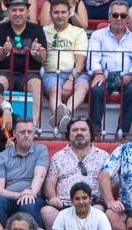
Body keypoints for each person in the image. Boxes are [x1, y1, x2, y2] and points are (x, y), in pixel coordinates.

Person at [87, 0, 132, 138]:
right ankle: (96, 132)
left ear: (128, 19)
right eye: (115, 15)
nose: (119, 18)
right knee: (96, 89)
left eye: (123, 16)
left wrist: (131, 74)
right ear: (109, 16)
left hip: (127, 77)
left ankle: (121, 133)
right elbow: (93, 57)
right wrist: (98, 73)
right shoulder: (97, 35)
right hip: (104, 75)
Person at [0, 0, 47, 127]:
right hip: (5, 72)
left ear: (27, 12)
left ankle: (34, 126)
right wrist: (4, 51)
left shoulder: (37, 30)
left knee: (37, 84)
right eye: (14, 10)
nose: (17, 13)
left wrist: (36, 52)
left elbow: (43, 57)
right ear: (8, 12)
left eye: (21, 10)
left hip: (29, 73)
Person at [41, 0, 90, 132]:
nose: (60, 15)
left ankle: (64, 115)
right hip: (51, 73)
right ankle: (64, 119)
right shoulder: (43, 31)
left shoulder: (78, 32)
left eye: (63, 12)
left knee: (84, 85)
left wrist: (71, 79)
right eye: (56, 12)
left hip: (74, 72)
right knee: (55, 90)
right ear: (50, 14)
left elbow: (80, 60)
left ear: (69, 14)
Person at [0, 119, 48, 228]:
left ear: (34, 134)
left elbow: (39, 175)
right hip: (10, 197)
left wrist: (30, 192)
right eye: (22, 132)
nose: (26, 135)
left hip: (33, 197)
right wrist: (19, 195)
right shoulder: (2, 156)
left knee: (27, 203)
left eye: (30, 132)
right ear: (14, 134)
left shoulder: (41, 150)